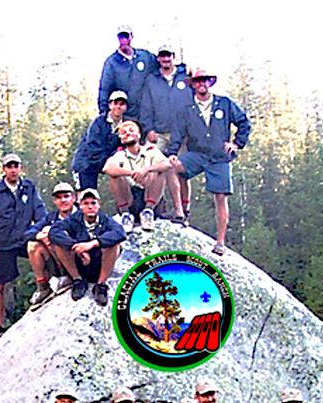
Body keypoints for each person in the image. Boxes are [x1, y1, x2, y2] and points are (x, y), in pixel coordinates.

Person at [167, 69, 251, 255]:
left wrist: (237, 143)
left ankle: (220, 242)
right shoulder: (187, 109)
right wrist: (172, 152)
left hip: (219, 156)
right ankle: (181, 212)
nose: (201, 84)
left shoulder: (224, 103)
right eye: (198, 81)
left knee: (220, 197)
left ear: (210, 83)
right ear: (193, 84)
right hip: (197, 154)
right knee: (172, 168)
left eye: (205, 80)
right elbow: (178, 134)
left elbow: (244, 122)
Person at [0, 153, 48, 340]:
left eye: (16, 166)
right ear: (4, 169)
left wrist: (44, 230)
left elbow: (39, 211)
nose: (13, 170)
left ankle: (47, 288)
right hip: (1, 243)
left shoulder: (29, 188)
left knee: (44, 250)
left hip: (24, 238)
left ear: (20, 168)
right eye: (9, 166)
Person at [139, 45, 192, 220]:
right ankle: (153, 208)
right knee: (151, 167)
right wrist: (148, 129)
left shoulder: (186, 76)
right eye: (162, 56)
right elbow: (146, 106)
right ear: (158, 59)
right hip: (159, 132)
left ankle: (184, 210)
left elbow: (197, 101)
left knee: (182, 171)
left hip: (182, 133)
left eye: (168, 56)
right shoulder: (151, 80)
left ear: (173, 57)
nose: (165, 59)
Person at [48, 187, 125, 306]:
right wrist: (75, 246)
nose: (90, 207)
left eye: (93, 203)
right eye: (86, 203)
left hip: (98, 262)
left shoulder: (105, 220)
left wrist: (93, 243)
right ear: (80, 206)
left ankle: (101, 285)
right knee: (59, 245)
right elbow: (54, 232)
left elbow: (120, 233)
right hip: (80, 263)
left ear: (99, 205)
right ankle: (77, 280)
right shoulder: (73, 219)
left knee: (114, 245)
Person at [102, 120, 174, 231]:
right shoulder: (119, 155)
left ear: (139, 134)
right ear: (121, 139)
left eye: (131, 130)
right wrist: (131, 173)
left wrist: (147, 169)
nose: (128, 133)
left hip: (150, 195)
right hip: (130, 198)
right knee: (115, 175)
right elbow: (107, 168)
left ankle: (148, 212)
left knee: (158, 170)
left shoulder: (151, 151)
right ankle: (125, 215)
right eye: (124, 132)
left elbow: (167, 164)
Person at [25, 182, 78, 308]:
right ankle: (43, 287)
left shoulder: (82, 214)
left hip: (78, 258)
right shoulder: (51, 217)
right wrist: (39, 235)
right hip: (56, 260)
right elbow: (28, 233)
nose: (63, 200)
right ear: (54, 201)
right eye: (59, 198)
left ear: (73, 198)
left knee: (55, 235)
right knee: (33, 245)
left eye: (66, 196)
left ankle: (71, 276)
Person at [72, 92, 131, 192]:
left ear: (126, 107)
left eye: (121, 104)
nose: (118, 107)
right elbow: (93, 147)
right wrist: (110, 160)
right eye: (115, 103)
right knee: (87, 195)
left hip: (107, 163)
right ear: (110, 105)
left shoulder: (127, 125)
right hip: (85, 163)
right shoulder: (98, 122)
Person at [97, 25, 157, 119]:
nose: (124, 40)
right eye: (121, 37)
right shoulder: (112, 63)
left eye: (126, 36)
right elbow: (104, 90)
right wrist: (104, 115)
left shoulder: (145, 56)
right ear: (118, 38)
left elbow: (163, 67)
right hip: (125, 116)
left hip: (147, 115)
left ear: (131, 37)